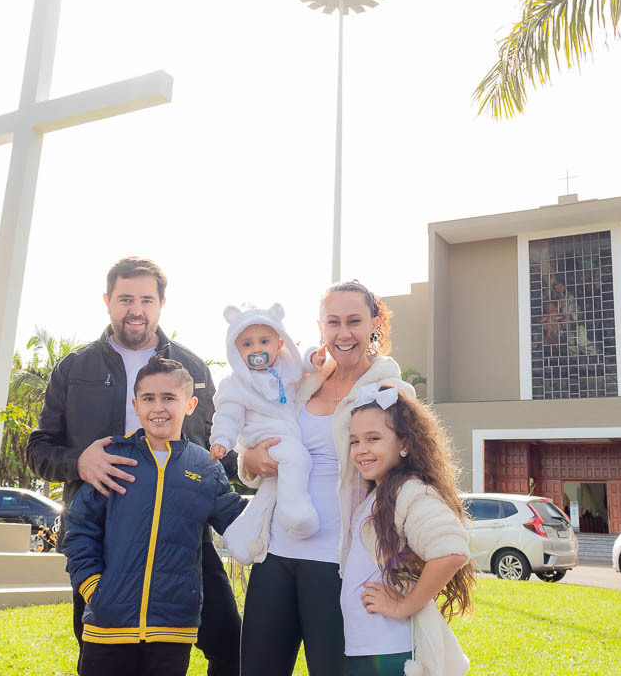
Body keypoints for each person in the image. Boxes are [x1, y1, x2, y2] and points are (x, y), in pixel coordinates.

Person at [26, 257, 241, 675]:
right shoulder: (74, 368)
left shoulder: (193, 368)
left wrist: (252, 463)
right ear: (108, 302)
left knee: (230, 641)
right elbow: (38, 449)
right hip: (105, 540)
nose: (135, 309)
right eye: (125, 299)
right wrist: (80, 461)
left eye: (146, 299)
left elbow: (217, 445)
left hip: (182, 535)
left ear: (161, 304)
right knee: (103, 653)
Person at [238, 280, 413, 676]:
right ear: (320, 327)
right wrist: (249, 458)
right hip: (275, 553)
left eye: (354, 321)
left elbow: (410, 474)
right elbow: (255, 438)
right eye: (333, 322)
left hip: (337, 562)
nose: (343, 333)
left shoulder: (389, 393)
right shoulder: (300, 383)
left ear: (374, 324)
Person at [62, 357, 246, 676]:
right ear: (135, 405)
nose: (157, 407)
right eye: (148, 398)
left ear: (189, 404)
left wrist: (276, 490)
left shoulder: (205, 468)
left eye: (169, 398)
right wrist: (93, 587)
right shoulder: (114, 459)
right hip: (108, 624)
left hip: (173, 627)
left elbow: (238, 521)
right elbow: (79, 528)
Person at [342, 385, 476, 676]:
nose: (362, 449)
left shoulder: (408, 492)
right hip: (366, 646)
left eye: (374, 438)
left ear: (403, 443)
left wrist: (404, 606)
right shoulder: (376, 496)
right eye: (355, 441)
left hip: (391, 650)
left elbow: (451, 550)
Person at [208, 303, 317, 564]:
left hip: (287, 436)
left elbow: (307, 363)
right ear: (236, 349)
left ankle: (242, 538)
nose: (256, 348)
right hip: (266, 441)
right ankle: (295, 512)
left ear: (280, 343)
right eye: (247, 344)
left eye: (264, 341)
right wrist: (221, 440)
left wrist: (314, 356)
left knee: (267, 496)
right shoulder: (234, 385)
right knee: (297, 459)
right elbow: (227, 416)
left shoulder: (287, 370)